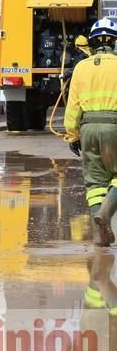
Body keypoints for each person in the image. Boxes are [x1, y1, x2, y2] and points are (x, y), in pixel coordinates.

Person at [64, 17, 117, 246]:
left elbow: (72, 105)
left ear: (93, 43)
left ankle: (99, 234)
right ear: (114, 43)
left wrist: (72, 135)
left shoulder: (81, 67)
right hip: (114, 126)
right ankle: (105, 213)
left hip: (87, 129)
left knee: (94, 182)